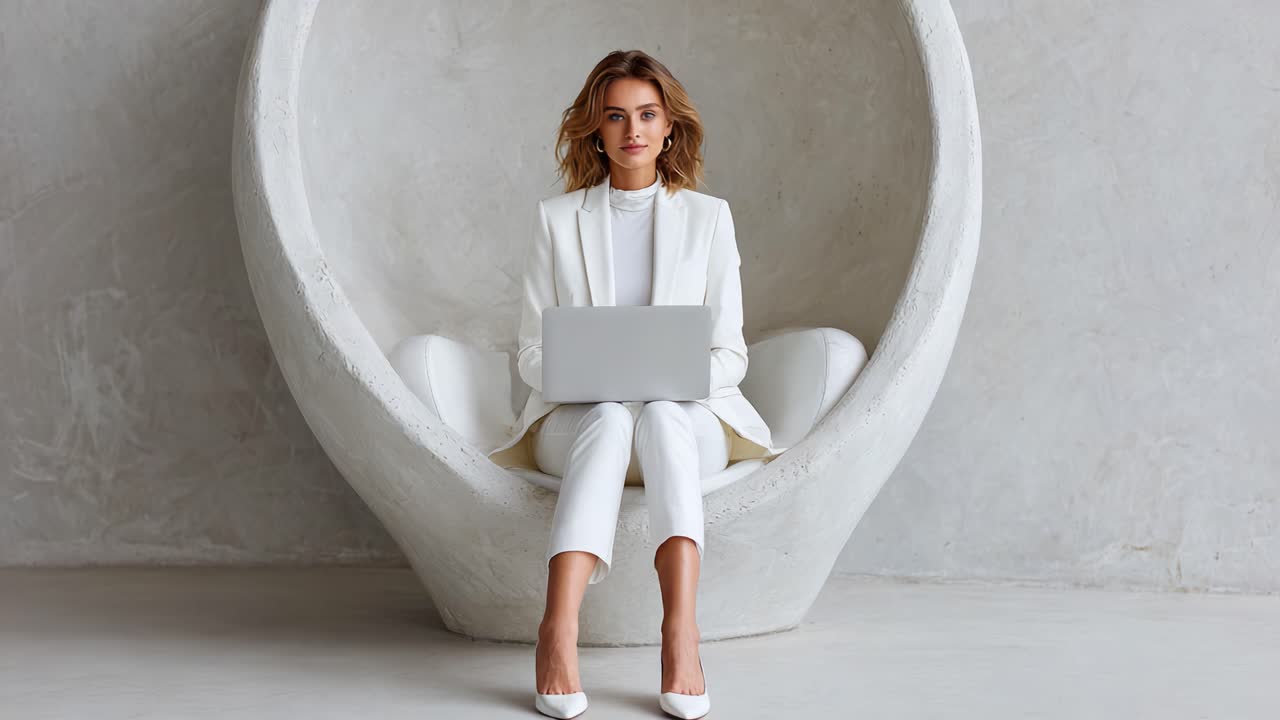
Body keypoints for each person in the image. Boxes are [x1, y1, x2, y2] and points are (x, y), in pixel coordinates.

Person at [517, 49, 776, 720]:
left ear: (669, 127)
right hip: (579, 420)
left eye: (647, 114)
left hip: (686, 421)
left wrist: (673, 379)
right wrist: (589, 377)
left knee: (659, 412)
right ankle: (557, 630)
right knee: (608, 414)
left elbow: (732, 354)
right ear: (595, 131)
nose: (632, 130)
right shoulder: (557, 219)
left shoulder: (709, 218)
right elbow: (529, 354)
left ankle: (681, 632)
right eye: (615, 117)